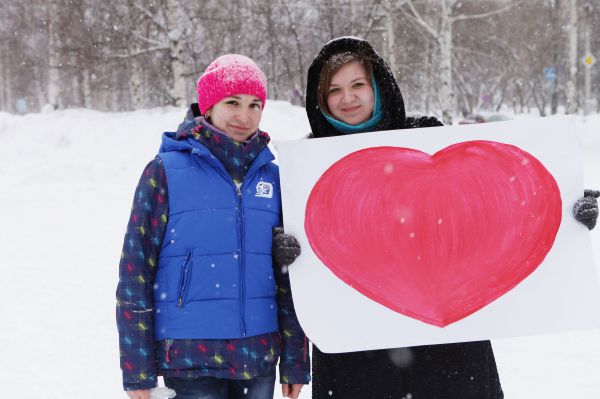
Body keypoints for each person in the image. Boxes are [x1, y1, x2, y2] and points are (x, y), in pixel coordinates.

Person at [299, 36, 599, 399]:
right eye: (335, 89)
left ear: (379, 85)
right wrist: (287, 251)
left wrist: (566, 212)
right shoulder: (305, 168)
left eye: (358, 84)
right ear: (320, 99)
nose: (348, 98)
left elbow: (493, 212)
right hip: (356, 354)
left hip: (448, 353)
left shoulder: (428, 139)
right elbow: (291, 249)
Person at [116, 54, 310, 399]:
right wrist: (137, 372)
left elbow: (288, 278)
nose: (244, 115)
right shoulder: (165, 172)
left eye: (254, 105)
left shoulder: (275, 178)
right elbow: (135, 272)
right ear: (208, 107)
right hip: (191, 358)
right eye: (232, 102)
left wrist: (295, 361)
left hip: (258, 357)